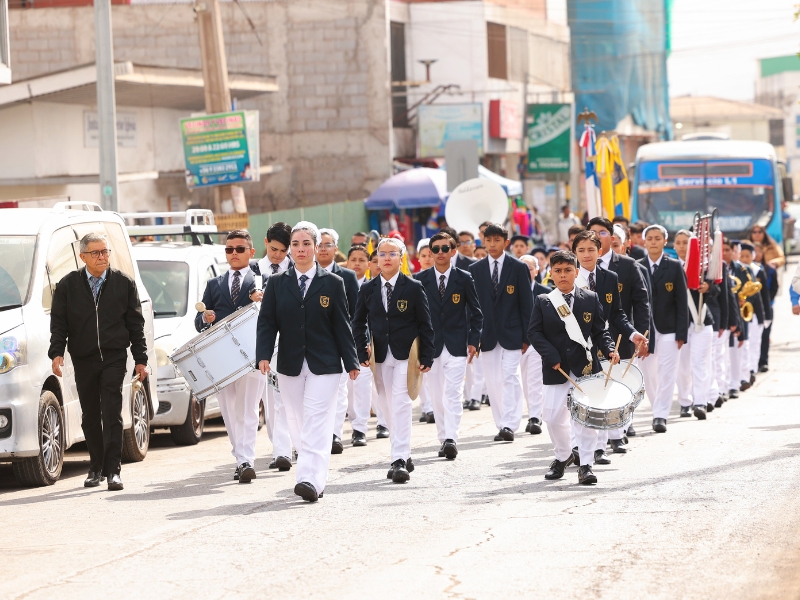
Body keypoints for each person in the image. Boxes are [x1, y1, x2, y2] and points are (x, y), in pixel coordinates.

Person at [256, 221, 360, 503]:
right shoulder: (277, 284)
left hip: (325, 364)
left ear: (316, 247)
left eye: (306, 244)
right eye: (296, 245)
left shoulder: (333, 283)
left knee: (315, 420)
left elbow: (342, 325)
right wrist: (263, 355)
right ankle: (314, 473)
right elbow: (267, 323)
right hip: (289, 363)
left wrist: (351, 361)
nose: (301, 249)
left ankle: (309, 480)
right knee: (297, 421)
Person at [49, 232, 148, 491]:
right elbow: (59, 324)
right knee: (90, 415)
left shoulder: (123, 284)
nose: (103, 256)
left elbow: (136, 325)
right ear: (83, 257)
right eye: (96, 253)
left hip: (114, 358)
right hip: (84, 359)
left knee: (111, 411)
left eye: (105, 251)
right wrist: (56, 352)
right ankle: (96, 467)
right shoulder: (67, 286)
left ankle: (113, 471)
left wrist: (140, 359)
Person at [529, 250, 619, 484]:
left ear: (576, 272)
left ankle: (586, 465)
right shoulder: (544, 301)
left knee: (585, 419)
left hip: (586, 367)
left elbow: (601, 331)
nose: (563, 275)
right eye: (557, 271)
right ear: (551, 274)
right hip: (556, 367)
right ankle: (564, 455)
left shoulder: (590, 298)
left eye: (568, 270)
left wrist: (610, 349)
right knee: (551, 417)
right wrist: (550, 355)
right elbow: (534, 333)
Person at [352, 237, 435, 483]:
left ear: (401, 258)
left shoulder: (413, 287)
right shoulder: (367, 289)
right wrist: (360, 349)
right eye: (382, 254)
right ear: (376, 258)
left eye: (392, 254)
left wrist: (427, 355)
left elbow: (425, 324)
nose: (386, 258)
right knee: (386, 407)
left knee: (400, 403)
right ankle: (403, 453)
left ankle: (398, 459)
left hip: (406, 355)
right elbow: (358, 322)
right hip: (379, 356)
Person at [195, 229, 265, 483]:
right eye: (229, 249)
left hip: (253, 355)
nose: (233, 254)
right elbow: (199, 321)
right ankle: (241, 457)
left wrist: (263, 300)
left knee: (247, 410)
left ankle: (246, 459)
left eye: (239, 249)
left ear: (251, 252)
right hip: (222, 359)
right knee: (228, 411)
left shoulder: (263, 280)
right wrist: (205, 317)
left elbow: (276, 314)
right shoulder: (214, 284)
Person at [572, 230, 645, 457]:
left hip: (605, 343)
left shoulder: (609, 278)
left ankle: (599, 448)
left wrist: (633, 335)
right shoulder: (569, 276)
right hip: (575, 345)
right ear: (575, 252)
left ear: (600, 251)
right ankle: (577, 446)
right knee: (579, 396)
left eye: (591, 250)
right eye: (581, 250)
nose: (586, 255)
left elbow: (617, 314)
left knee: (601, 392)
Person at [416, 232, 483, 459]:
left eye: (445, 248)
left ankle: (452, 438)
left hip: (457, 345)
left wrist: (474, 341)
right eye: (436, 249)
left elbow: (476, 313)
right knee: (436, 395)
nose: (440, 253)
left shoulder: (464, 278)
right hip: (430, 347)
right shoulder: (420, 279)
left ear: (453, 251)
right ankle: (443, 438)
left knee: (452, 394)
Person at [468, 223, 533, 442]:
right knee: (493, 380)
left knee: (510, 376)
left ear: (506, 243)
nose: (493, 244)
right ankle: (500, 422)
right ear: (483, 242)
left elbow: (527, 304)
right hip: (486, 335)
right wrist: (473, 337)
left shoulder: (518, 267)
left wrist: (527, 337)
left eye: (498, 240)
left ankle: (510, 424)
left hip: (513, 333)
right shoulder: (475, 270)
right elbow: (472, 308)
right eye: (489, 240)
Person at [638, 224, 688, 433]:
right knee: (650, 374)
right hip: (646, 330)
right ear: (644, 241)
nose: (653, 242)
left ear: (664, 241)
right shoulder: (637, 266)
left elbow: (682, 301)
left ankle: (660, 415)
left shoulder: (674, 266)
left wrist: (682, 332)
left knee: (668, 373)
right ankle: (655, 406)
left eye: (658, 238)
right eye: (650, 238)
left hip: (669, 329)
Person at [316, 228, 360, 454]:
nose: (323, 249)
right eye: (320, 244)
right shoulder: (305, 275)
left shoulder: (348, 276)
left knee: (340, 389)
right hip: (314, 344)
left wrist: (360, 342)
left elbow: (357, 313)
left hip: (340, 342)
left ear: (336, 248)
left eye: (328, 244)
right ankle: (318, 434)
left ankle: (334, 434)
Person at [256, 222, 294, 472]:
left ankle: (288, 448)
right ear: (265, 242)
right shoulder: (253, 270)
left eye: (282, 250)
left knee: (288, 398)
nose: (277, 255)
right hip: (266, 341)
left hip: (292, 340)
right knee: (272, 399)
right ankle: (280, 448)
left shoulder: (298, 269)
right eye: (273, 249)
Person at [672, 230, 718, 421]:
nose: (682, 246)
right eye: (679, 243)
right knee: (682, 366)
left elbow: (719, 291)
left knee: (700, 363)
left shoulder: (704, 268)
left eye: (687, 243)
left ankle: (700, 401)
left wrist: (709, 287)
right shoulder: (671, 266)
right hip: (679, 324)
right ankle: (685, 402)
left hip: (702, 321)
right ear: (674, 245)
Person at [519, 255, 550, 435]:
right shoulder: (512, 292)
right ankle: (531, 412)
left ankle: (535, 417)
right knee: (524, 383)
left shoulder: (545, 292)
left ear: (536, 270)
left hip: (538, 343)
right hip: (518, 344)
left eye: (529, 268)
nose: (526, 272)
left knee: (535, 381)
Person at [739, 241, 772, 383]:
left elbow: (764, 296)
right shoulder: (737, 270)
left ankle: (752, 368)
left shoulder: (758, 270)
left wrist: (766, 316)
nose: (744, 259)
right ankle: (744, 370)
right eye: (742, 256)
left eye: (747, 256)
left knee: (754, 342)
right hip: (741, 313)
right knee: (744, 344)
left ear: (753, 256)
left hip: (755, 314)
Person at [414, 238, 435, 422]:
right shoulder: (413, 281)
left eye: (431, 255)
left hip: (439, 331)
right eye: (424, 255)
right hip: (420, 331)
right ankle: (427, 407)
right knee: (421, 369)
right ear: (417, 258)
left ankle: (434, 406)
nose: (427, 259)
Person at [754, 241, 778, 372]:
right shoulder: (748, 269)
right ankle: (753, 362)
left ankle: (763, 361)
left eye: (759, 251)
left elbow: (774, 287)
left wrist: (767, 300)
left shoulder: (769, 269)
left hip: (767, 306)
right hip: (751, 308)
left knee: (765, 334)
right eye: (755, 251)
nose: (757, 254)